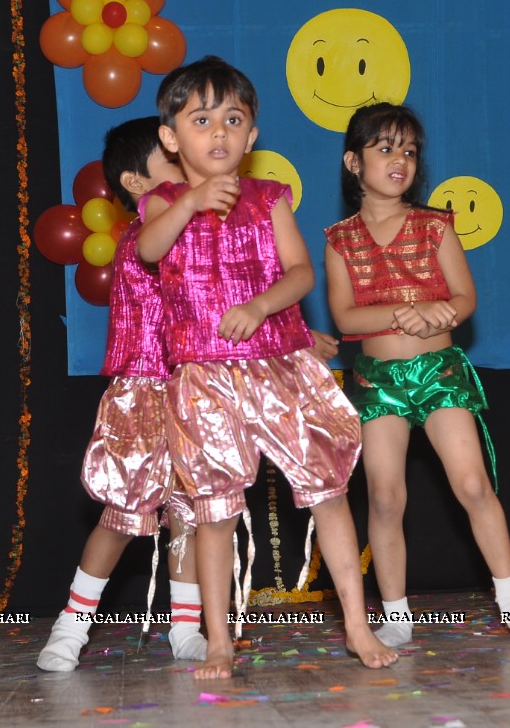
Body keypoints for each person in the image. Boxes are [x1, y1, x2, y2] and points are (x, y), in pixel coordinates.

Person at [136, 56, 398, 679]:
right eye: (202, 120)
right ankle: (219, 640)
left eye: (233, 119)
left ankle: (359, 628)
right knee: (215, 510)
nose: (219, 133)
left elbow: (302, 273)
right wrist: (193, 200)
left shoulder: (269, 198)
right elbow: (147, 250)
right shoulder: (162, 202)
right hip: (203, 375)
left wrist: (260, 305)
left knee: (328, 493)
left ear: (251, 136)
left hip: (279, 367)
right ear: (173, 139)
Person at [323, 103, 510, 647]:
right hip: (378, 379)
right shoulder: (339, 239)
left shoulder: (435, 225)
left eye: (409, 150)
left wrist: (440, 310)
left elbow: (465, 297)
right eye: (385, 149)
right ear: (354, 162)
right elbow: (346, 318)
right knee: (384, 497)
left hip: (440, 372)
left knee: (472, 483)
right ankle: (396, 614)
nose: (399, 160)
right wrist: (405, 312)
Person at [37, 117, 207, 672]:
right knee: (121, 514)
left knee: (189, 515)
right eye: (174, 162)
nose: (189, 172)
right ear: (137, 184)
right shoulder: (143, 238)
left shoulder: (197, 236)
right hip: (141, 390)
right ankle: (71, 625)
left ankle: (187, 628)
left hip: (193, 388)